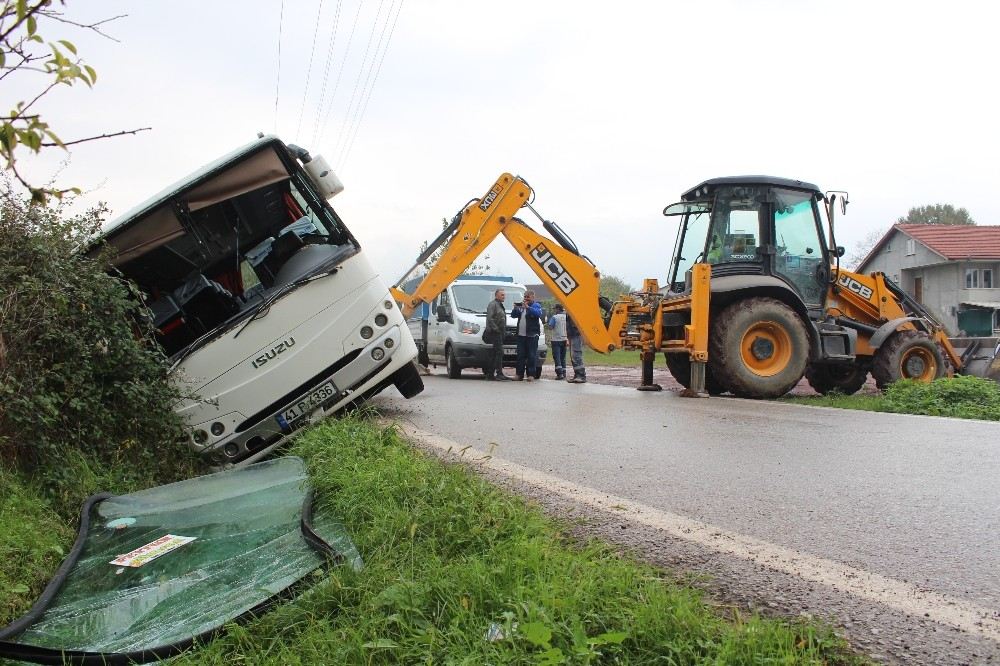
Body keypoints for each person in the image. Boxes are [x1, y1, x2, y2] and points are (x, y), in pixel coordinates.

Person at [510, 290, 542, 381]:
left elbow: (538, 314)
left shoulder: (536, 305)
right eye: (525, 296)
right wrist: (515, 308)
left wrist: (528, 307)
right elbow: (513, 315)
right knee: (520, 355)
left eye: (528, 297)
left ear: (533, 297)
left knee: (531, 355)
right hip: (521, 335)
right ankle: (519, 374)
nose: (526, 298)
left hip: (532, 335)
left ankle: (531, 374)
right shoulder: (521, 306)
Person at [484, 288, 510, 380]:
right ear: (496, 295)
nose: (504, 296)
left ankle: (490, 374)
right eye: (502, 295)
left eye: (504, 295)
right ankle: (499, 373)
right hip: (495, 333)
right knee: (499, 352)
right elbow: (490, 318)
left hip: (499, 333)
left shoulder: (499, 305)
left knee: (496, 353)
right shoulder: (493, 304)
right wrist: (496, 329)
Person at [547, 304, 568, 380]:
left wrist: (548, 322)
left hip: (556, 340)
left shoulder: (554, 317)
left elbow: (550, 327)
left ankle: (559, 374)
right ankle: (564, 372)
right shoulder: (566, 317)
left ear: (558, 309)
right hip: (565, 339)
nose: (554, 310)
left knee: (557, 357)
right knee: (563, 357)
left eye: (555, 309)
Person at [566, 314, 586, 383]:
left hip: (576, 335)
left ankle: (581, 375)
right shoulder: (569, 312)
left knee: (576, 355)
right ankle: (577, 375)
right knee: (573, 356)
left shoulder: (575, 311)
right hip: (572, 335)